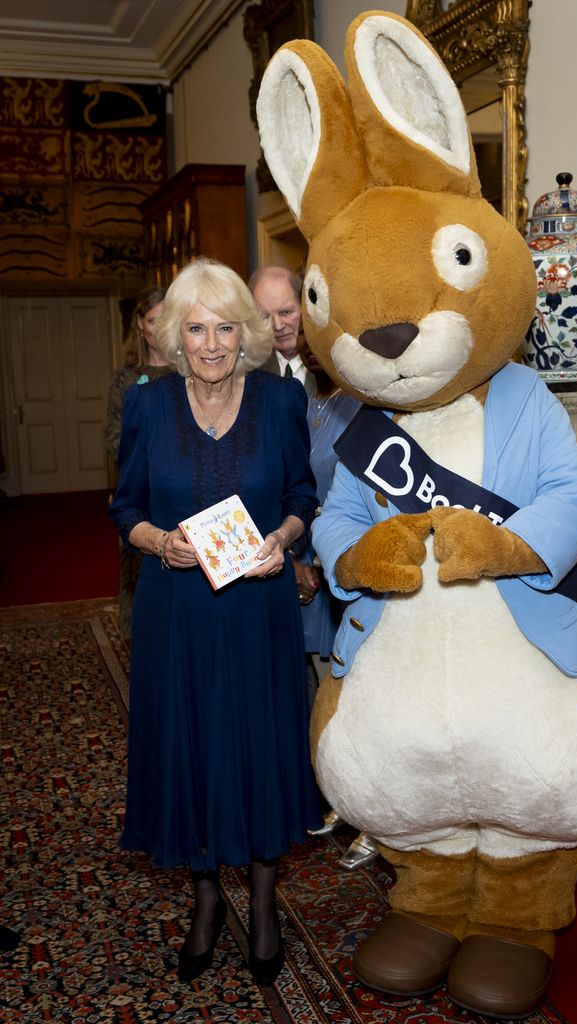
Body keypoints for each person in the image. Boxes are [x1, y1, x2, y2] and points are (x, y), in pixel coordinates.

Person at [109, 257, 321, 988]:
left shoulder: (279, 402)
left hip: (258, 608)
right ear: (172, 334)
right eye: (195, 328)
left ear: (247, 333)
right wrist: (155, 543)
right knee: (192, 747)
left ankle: (263, 903)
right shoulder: (148, 406)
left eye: (224, 327)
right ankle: (204, 900)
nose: (209, 343)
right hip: (177, 614)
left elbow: (301, 491)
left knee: (258, 746)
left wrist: (283, 539)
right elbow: (126, 507)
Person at [291, 335, 379, 871]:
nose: (308, 343)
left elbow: (367, 498)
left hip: (349, 571)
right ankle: (334, 798)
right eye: (301, 333)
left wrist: (324, 562)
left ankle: (373, 818)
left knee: (355, 698)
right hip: (295, 569)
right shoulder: (295, 394)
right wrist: (291, 561)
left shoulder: (366, 402)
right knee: (314, 698)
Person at [105, 285, 171, 638]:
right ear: (141, 326)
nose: (160, 328)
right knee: (139, 576)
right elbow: (114, 438)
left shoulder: (189, 372)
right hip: (139, 494)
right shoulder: (126, 378)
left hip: (176, 492)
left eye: (166, 319)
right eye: (153, 320)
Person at [248, 266, 314, 395]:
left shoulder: (330, 369)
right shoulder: (250, 371)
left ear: (304, 307)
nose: (277, 326)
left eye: (285, 312)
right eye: (265, 317)